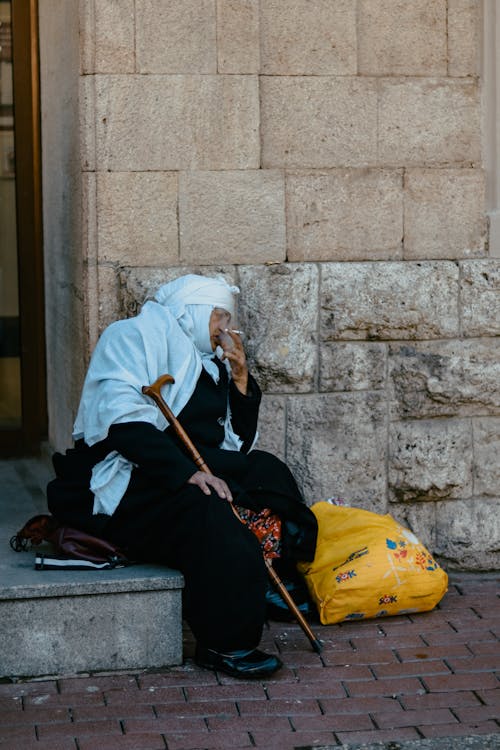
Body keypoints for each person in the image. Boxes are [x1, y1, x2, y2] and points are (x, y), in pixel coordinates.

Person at [47, 274, 318, 678]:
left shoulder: (209, 364)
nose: (226, 328)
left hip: (190, 463)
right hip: (130, 475)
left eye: (228, 317)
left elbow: (235, 445)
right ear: (192, 311)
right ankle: (227, 643)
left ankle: (270, 576)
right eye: (219, 316)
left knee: (266, 469)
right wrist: (186, 474)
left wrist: (242, 380)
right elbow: (121, 421)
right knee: (207, 506)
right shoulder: (132, 337)